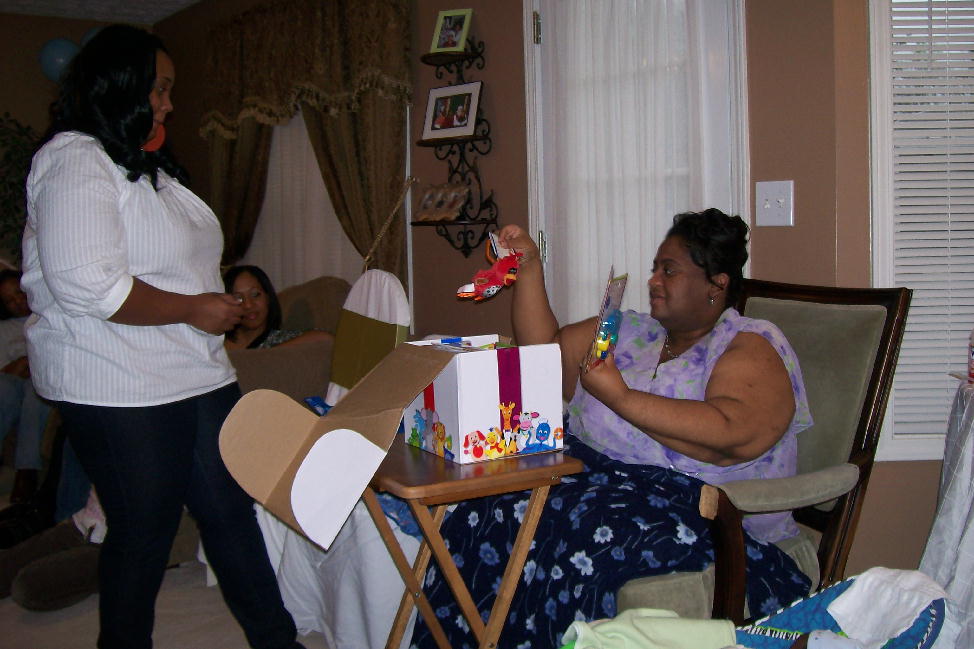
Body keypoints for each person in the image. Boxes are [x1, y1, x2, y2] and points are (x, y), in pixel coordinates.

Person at [408, 209, 814, 648]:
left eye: (670, 271)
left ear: (716, 284)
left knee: (574, 534)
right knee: (492, 500)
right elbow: (543, 354)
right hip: (600, 487)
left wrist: (619, 396)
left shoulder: (748, 343)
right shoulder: (634, 331)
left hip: (703, 519)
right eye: (655, 268)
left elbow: (730, 435)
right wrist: (529, 268)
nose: (653, 280)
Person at [20, 25, 302, 649]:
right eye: (161, 89)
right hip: (117, 383)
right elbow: (88, 284)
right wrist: (195, 308)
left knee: (231, 514)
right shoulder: (73, 158)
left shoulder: (144, 166)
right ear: (121, 85)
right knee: (143, 533)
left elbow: (177, 266)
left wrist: (208, 304)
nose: (170, 104)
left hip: (194, 373)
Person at [0, 269, 52, 505]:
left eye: (19, 294)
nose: (17, 302)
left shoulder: (47, 317)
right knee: (5, 387)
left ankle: (26, 472)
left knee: (36, 389)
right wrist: (25, 362)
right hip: (13, 382)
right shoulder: (4, 330)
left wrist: (29, 363)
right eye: (9, 300)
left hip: (40, 380)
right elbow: (5, 372)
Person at [222, 265, 334, 350]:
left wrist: (265, 355)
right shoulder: (216, 343)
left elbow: (326, 338)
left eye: (255, 294)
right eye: (238, 298)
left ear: (268, 297)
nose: (248, 305)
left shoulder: (279, 340)